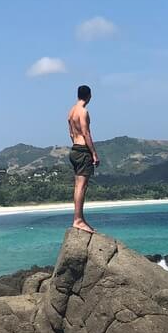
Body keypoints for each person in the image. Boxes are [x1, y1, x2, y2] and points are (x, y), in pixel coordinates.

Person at [67, 84, 99, 232]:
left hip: (74, 149)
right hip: (82, 150)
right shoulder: (83, 112)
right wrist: (93, 153)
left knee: (77, 186)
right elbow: (86, 133)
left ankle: (78, 218)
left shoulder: (71, 111)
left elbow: (71, 134)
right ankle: (78, 219)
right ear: (89, 96)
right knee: (82, 186)